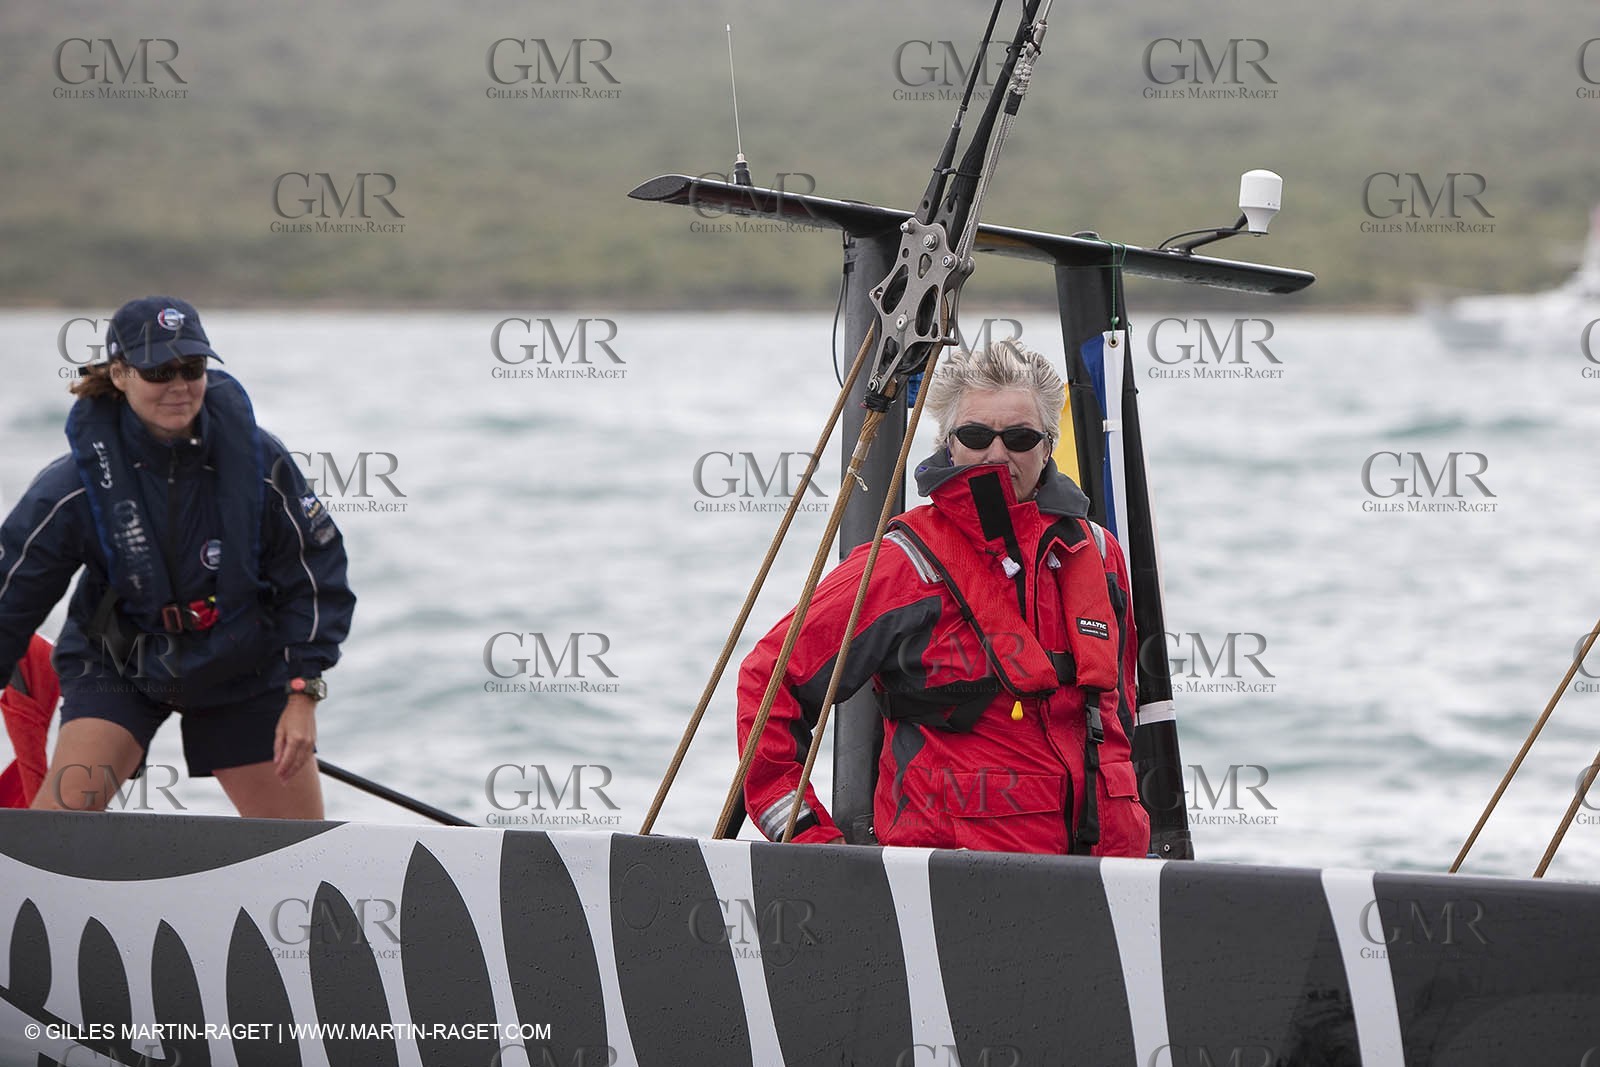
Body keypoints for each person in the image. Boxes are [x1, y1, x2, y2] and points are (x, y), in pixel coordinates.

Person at [737, 340, 1149, 855]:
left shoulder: (1099, 553)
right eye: (976, 436)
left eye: (1020, 437)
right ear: (948, 444)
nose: (997, 454)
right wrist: (808, 837)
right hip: (954, 894)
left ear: (1048, 445)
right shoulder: (899, 564)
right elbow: (769, 678)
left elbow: (1120, 712)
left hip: (1112, 880)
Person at [0, 296, 354, 818]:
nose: (179, 385)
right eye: (158, 371)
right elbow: (12, 596)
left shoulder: (263, 462)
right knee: (58, 829)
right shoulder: (73, 485)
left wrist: (302, 695)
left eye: (192, 368)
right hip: (120, 664)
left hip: (243, 669)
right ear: (119, 374)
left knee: (302, 853)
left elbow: (316, 576)